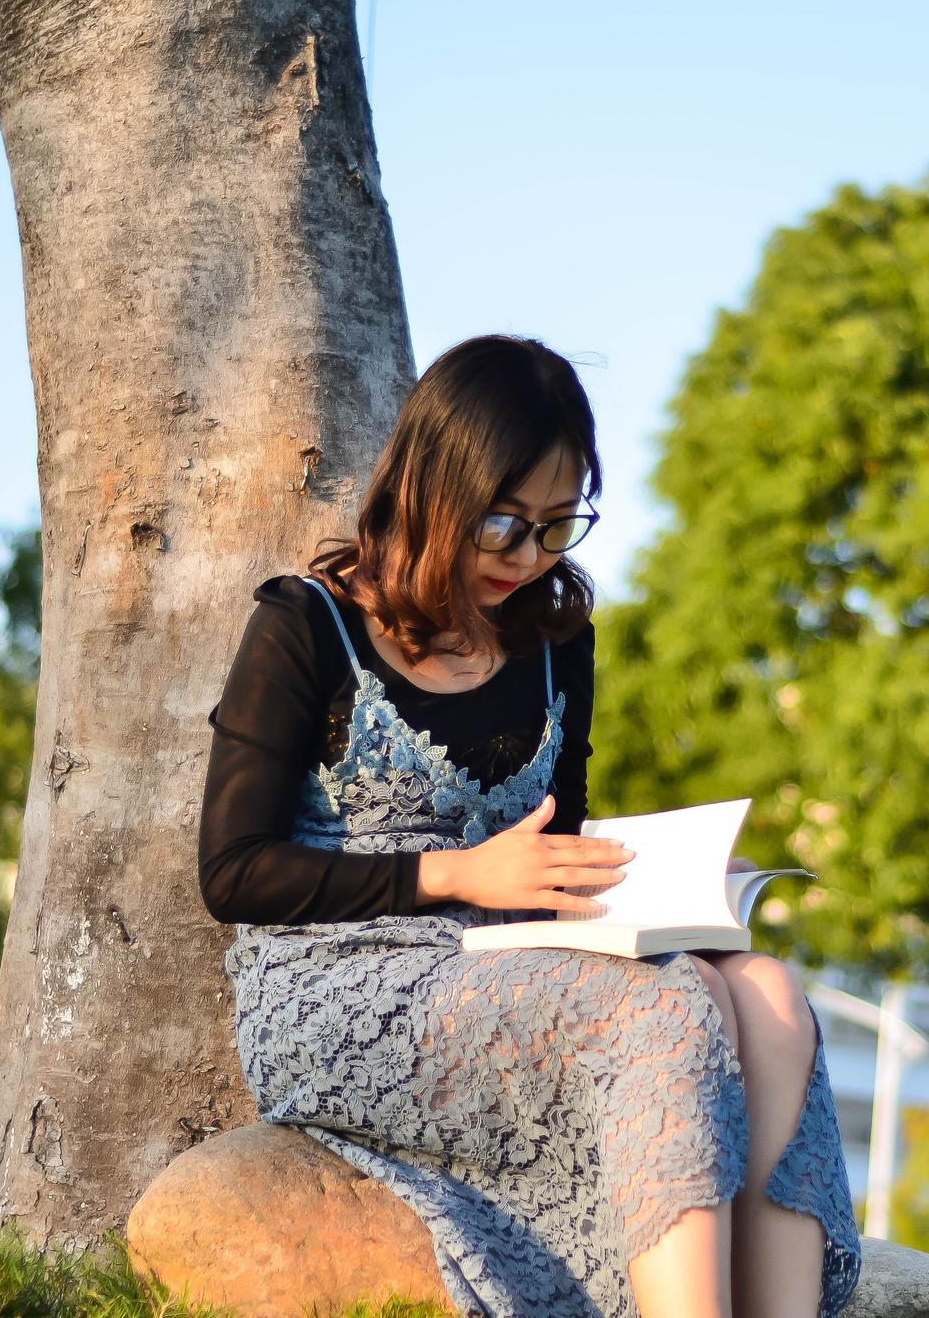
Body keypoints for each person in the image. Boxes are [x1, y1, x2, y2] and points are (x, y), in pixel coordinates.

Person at [198, 333, 861, 1318]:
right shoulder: (305, 626)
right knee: (667, 1012)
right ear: (432, 488)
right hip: (334, 988)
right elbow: (234, 871)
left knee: (765, 995)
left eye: (558, 525)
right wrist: (457, 876)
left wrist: (671, 882)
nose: (527, 556)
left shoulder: (555, 637)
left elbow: (560, 837)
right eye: (502, 523)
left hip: (523, 958)